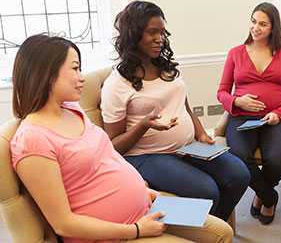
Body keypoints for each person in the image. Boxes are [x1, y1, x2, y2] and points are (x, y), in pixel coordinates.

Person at [10, 34, 233, 243]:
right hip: (117, 232)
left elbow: (106, 158)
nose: (81, 78)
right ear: (47, 74)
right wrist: (136, 229)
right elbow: (63, 224)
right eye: (75, 69)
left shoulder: (71, 110)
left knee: (223, 232)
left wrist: (143, 190)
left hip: (146, 207)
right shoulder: (32, 140)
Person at [100, 1, 250, 222]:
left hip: (186, 147)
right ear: (133, 34)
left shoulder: (167, 68)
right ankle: (203, 229)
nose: (160, 38)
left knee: (239, 174)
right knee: (207, 190)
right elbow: (112, 146)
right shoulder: (117, 84)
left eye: (162, 32)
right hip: (146, 156)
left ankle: (212, 230)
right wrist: (143, 125)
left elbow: (185, 106)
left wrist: (200, 132)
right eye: (152, 32)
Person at [217, 2, 281, 224]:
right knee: (238, 158)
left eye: (263, 24)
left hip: (275, 119)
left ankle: (261, 193)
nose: (256, 28)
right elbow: (222, 92)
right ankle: (269, 196)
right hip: (242, 118)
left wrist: (279, 113)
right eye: (253, 22)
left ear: (273, 28)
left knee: (275, 160)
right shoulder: (235, 53)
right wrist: (238, 101)